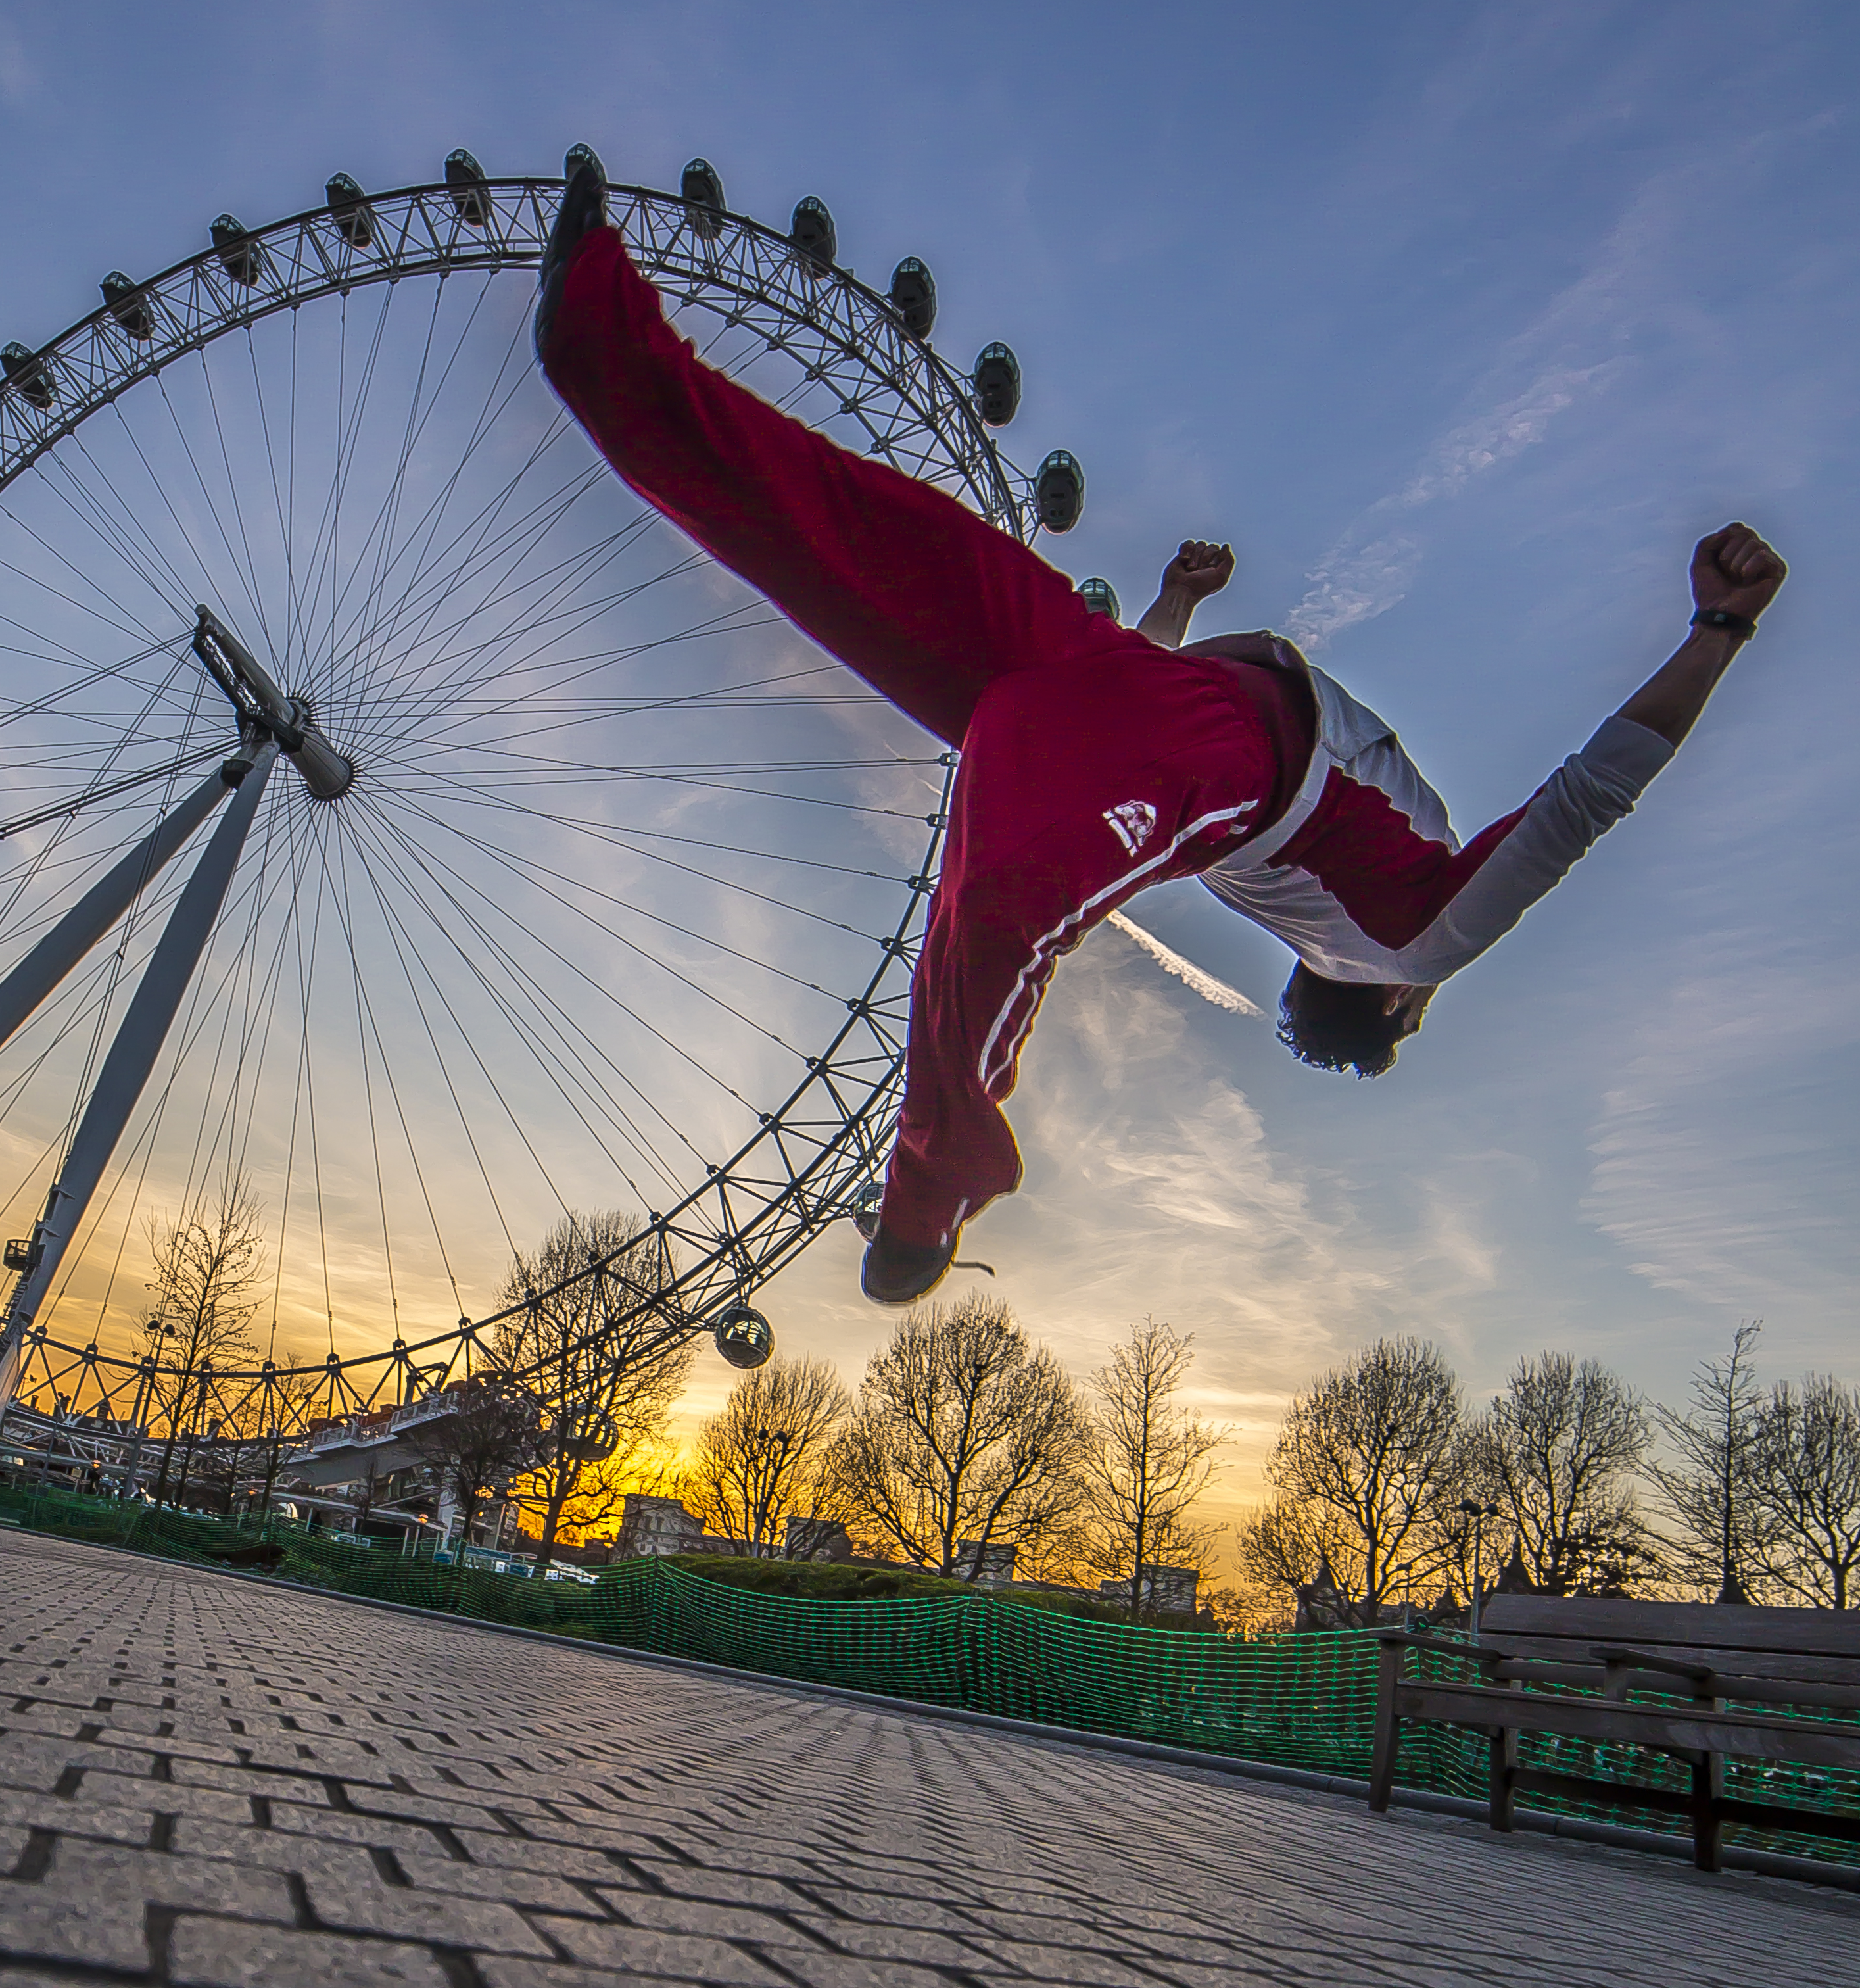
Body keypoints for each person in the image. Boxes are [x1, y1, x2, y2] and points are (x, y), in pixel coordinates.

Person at [534, 157, 1787, 1301]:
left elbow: (1583, 798)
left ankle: (935, 1184)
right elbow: (1123, 727)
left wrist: (1716, 631)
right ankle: (601, 337)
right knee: (847, 529)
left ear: (1392, 1008)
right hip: (1117, 679)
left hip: (1213, 743)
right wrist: (1178, 602)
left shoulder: (1417, 945)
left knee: (995, 893)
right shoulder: (1313, 889)